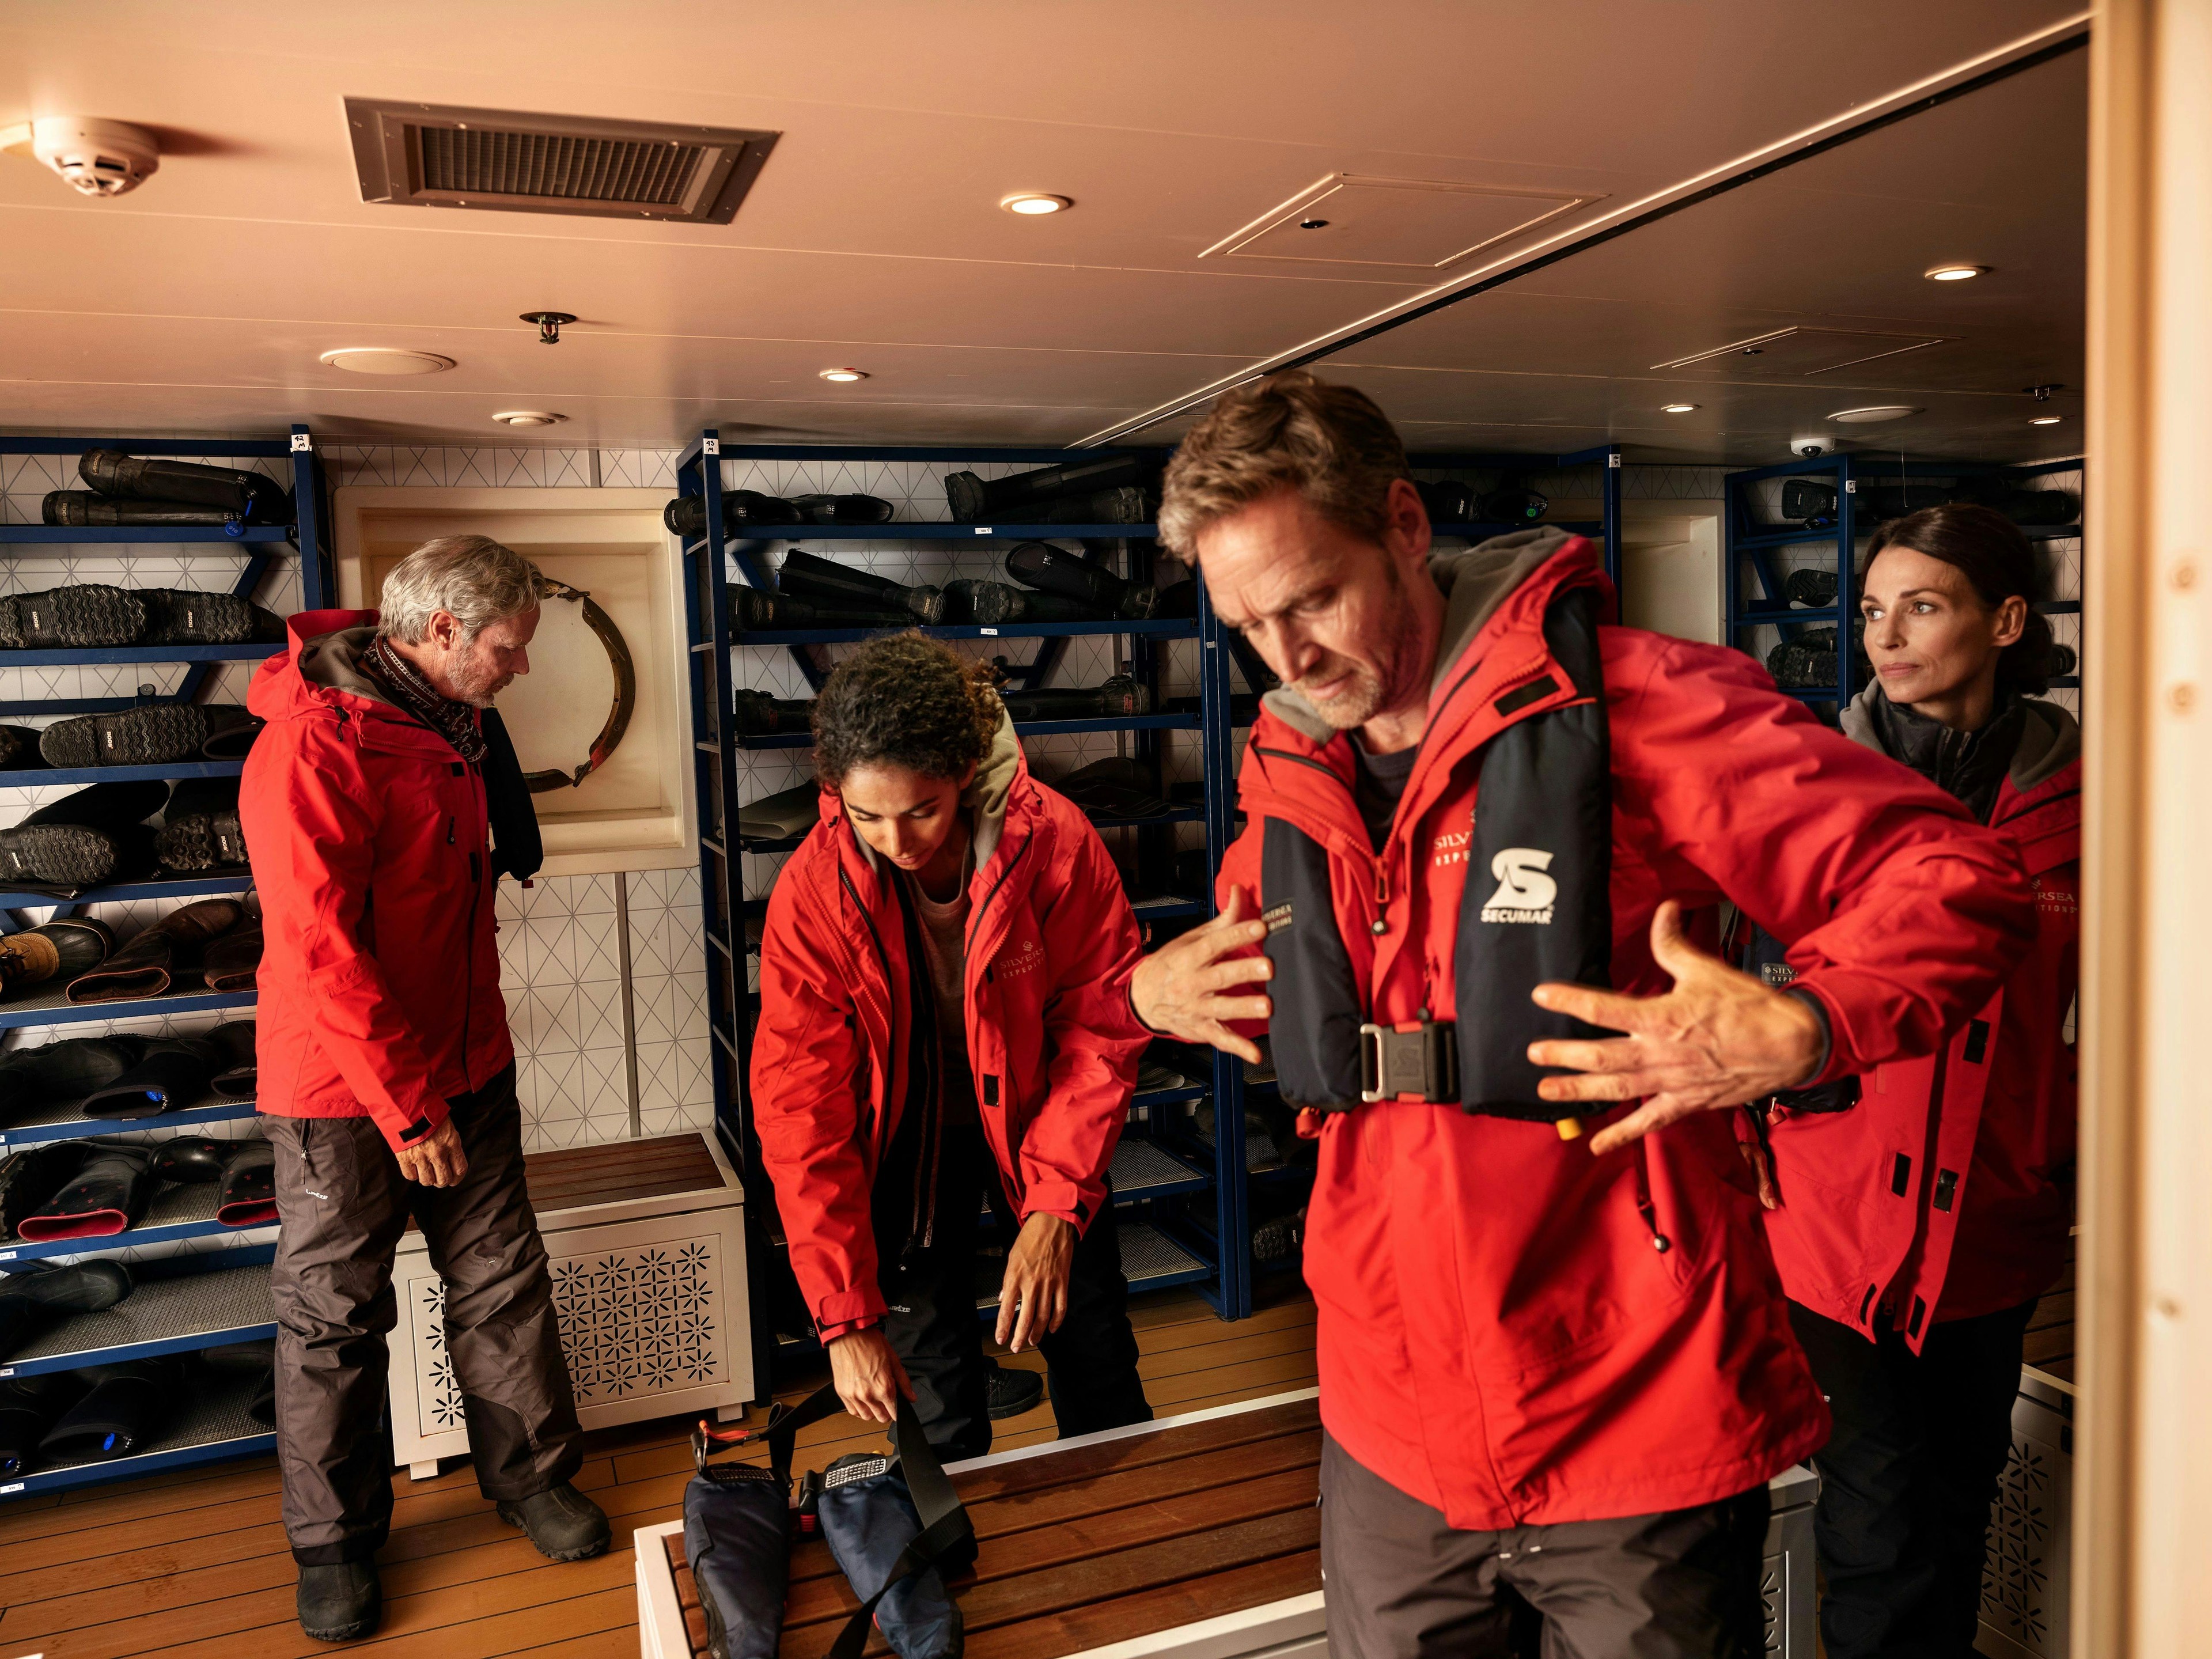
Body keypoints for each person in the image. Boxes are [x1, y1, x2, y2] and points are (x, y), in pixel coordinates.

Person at [1131, 371, 2039, 1657]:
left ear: (1400, 525)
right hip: (1390, 1435)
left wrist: (1811, 1020)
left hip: (1635, 1417)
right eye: (1247, 625)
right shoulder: (1295, 768)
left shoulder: (1642, 706)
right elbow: (1255, 948)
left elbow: (1958, 882)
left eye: (1314, 599)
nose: (1291, 658)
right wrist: (1147, 987)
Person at [241, 535, 608, 1644]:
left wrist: (463, 1074)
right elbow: (322, 952)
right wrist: (407, 1109)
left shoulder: (452, 723)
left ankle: (533, 1480)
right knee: (333, 1320)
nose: (522, 667)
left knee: (502, 1278)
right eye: (510, 646)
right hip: (344, 1093)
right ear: (443, 631)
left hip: (467, 1064)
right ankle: (336, 1545)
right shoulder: (314, 749)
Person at [1745, 504, 2080, 1658]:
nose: (1886, 637)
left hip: (1999, 1215)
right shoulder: (1809, 798)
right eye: (1875, 610)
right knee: (1882, 1520)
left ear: (2007, 621)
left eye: (1923, 607)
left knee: (1961, 1494)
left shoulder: (2095, 807)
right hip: (1835, 1225)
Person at [750, 632, 1154, 1459]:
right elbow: (801, 1108)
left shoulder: (1058, 844)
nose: (897, 841)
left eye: (921, 810)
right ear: (836, 793)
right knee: (931, 1404)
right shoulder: (811, 891)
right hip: (902, 1146)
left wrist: (1057, 1209)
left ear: (965, 774)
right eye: (867, 816)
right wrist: (843, 1318)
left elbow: (1102, 1030)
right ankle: (956, 1577)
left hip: (1042, 1125)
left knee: (1097, 1359)